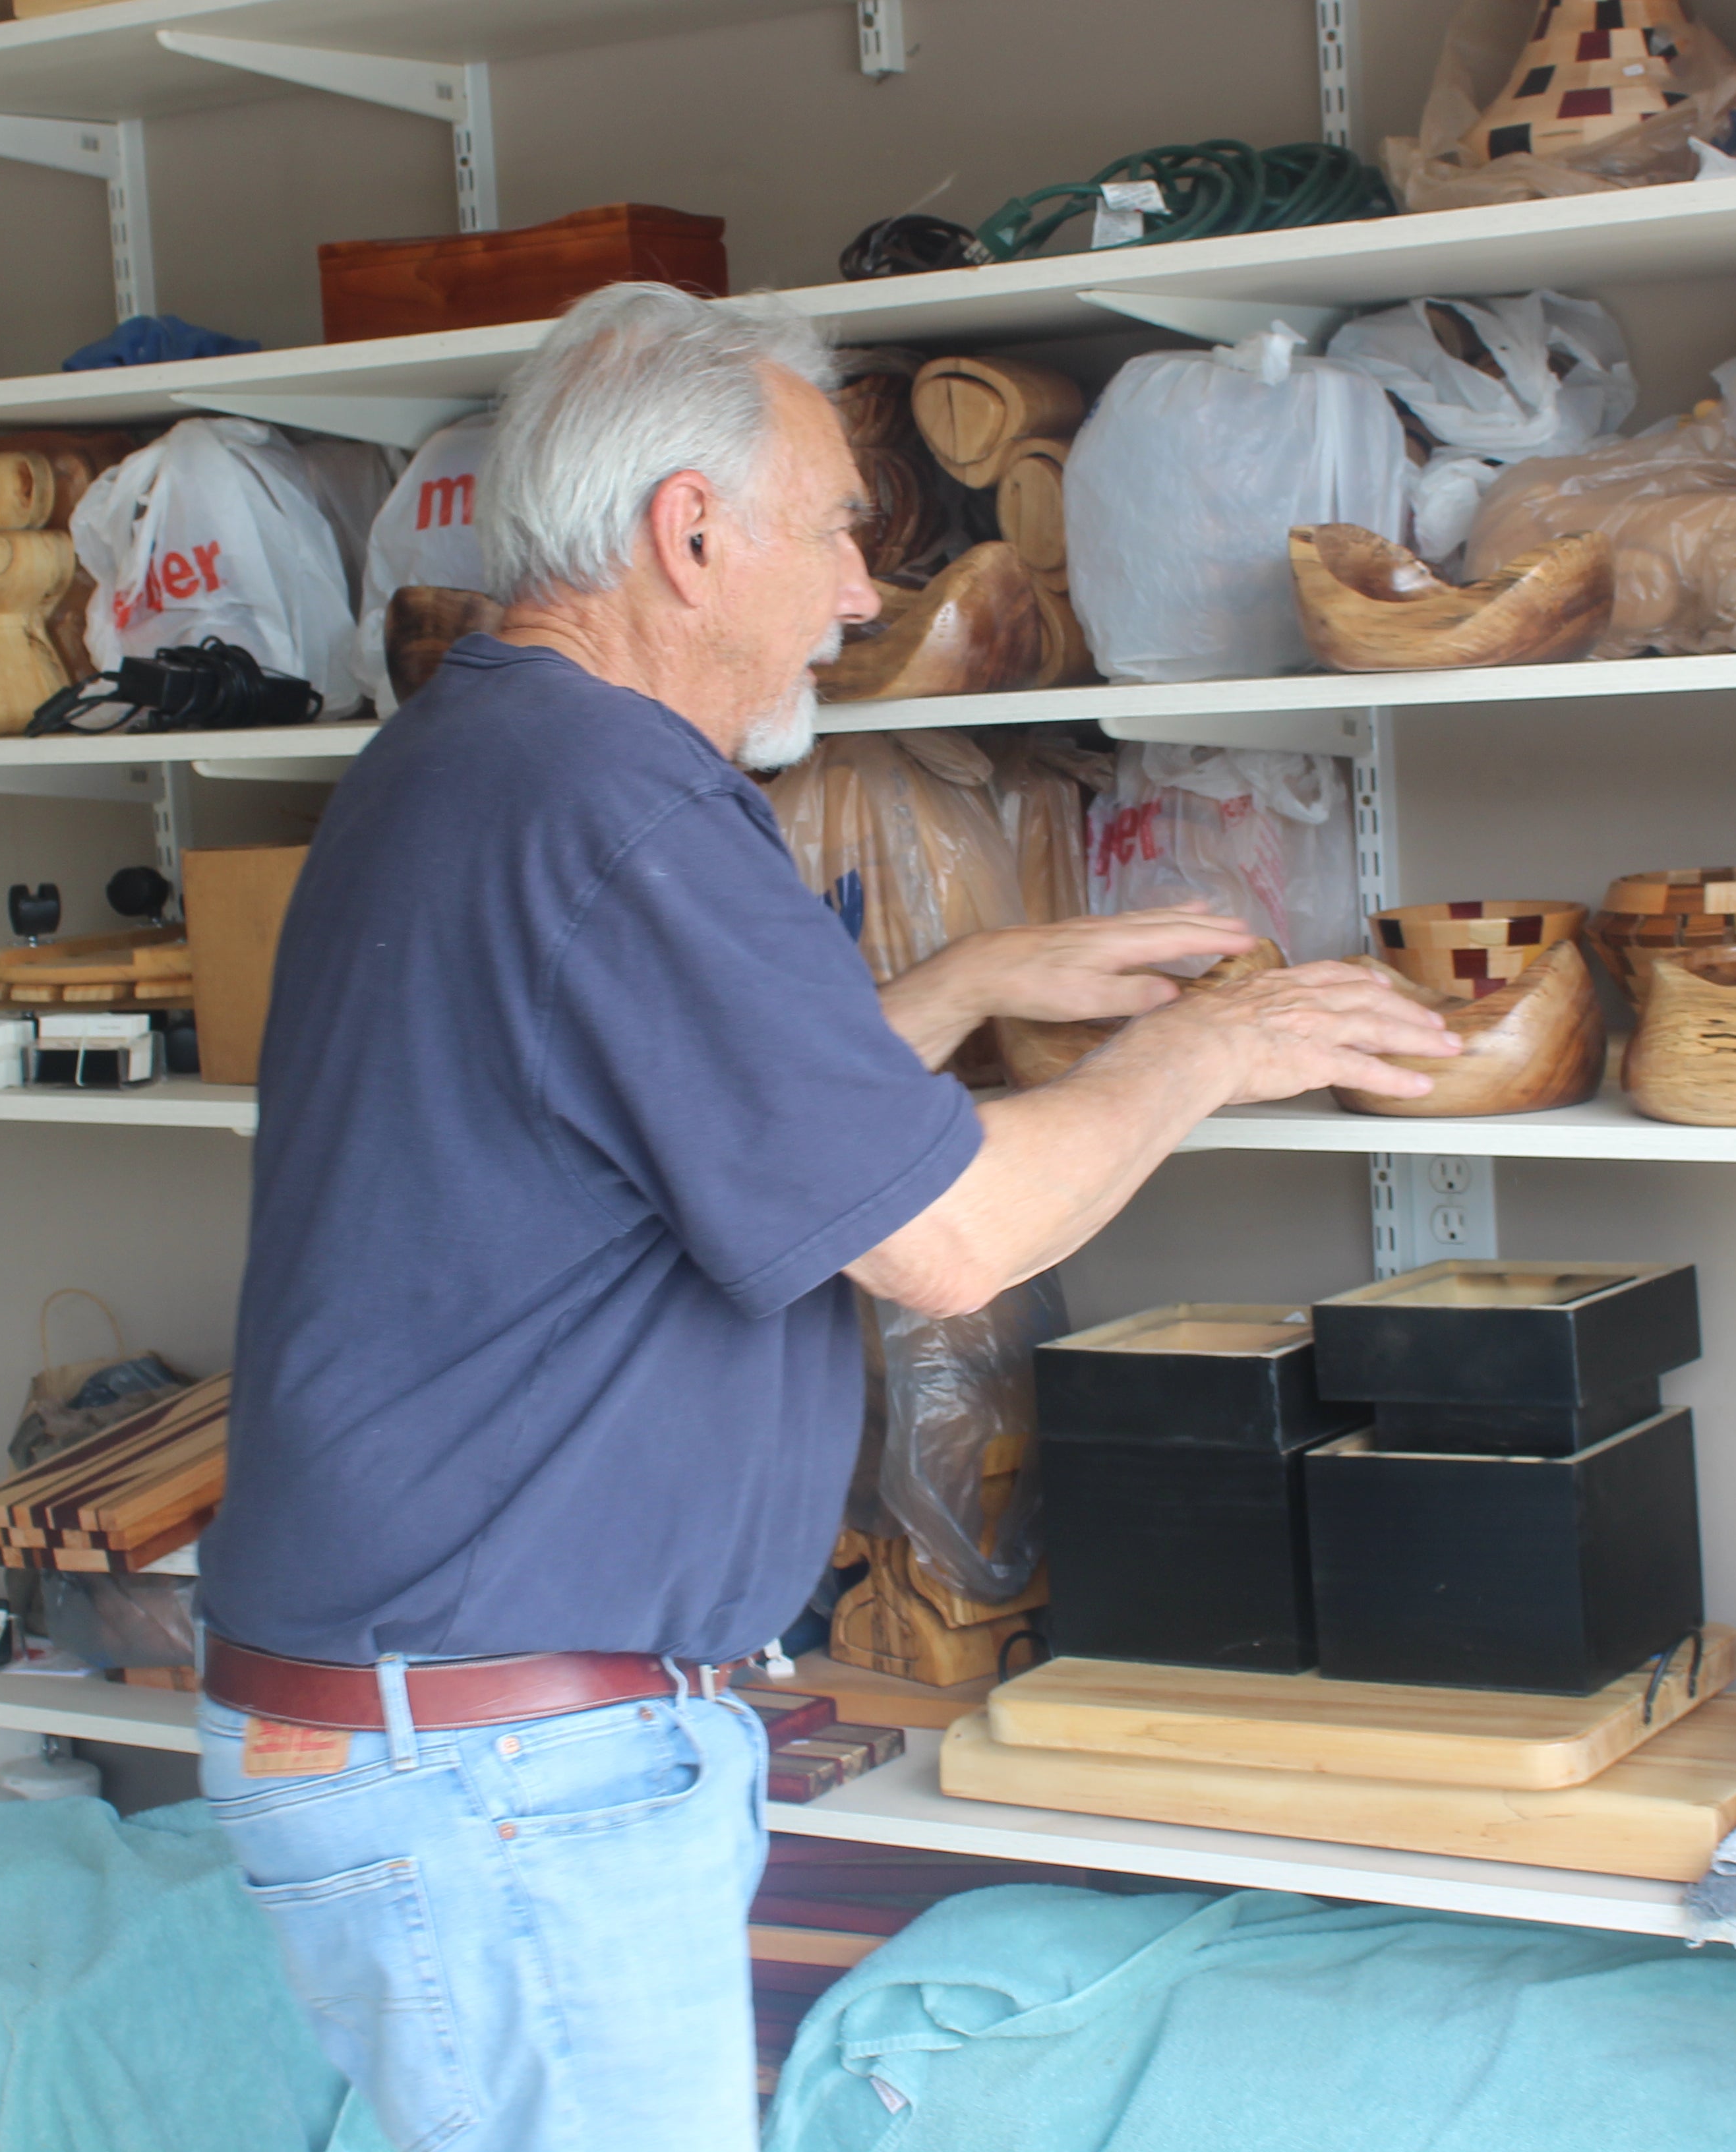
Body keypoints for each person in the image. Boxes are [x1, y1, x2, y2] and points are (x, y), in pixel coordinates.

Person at [195, 282, 1456, 2152]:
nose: (864, 590)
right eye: (836, 529)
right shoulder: (615, 808)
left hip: (440, 1724)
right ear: (688, 538)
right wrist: (1217, 1046)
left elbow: (665, 1132)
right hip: (495, 1757)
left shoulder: (475, 766)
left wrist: (964, 981)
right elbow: (944, 1242)